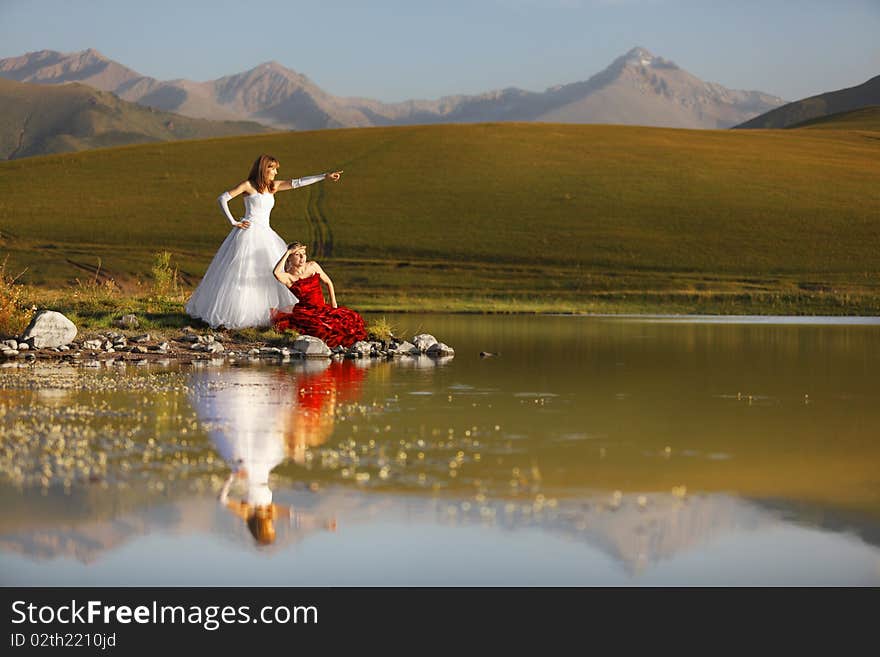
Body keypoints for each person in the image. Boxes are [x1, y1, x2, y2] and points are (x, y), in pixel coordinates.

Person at [185, 154, 343, 329]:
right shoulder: (248, 185)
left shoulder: (272, 186)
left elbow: (297, 182)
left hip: (266, 234)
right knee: (242, 274)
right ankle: (238, 315)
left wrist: (324, 176)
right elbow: (222, 198)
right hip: (248, 233)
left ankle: (263, 315)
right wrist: (233, 221)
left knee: (266, 276)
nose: (275, 172)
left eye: (276, 169)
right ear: (263, 168)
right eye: (272, 168)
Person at [270, 242, 368, 348]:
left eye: (304, 253)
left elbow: (328, 282)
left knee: (350, 320)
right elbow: (276, 272)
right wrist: (288, 251)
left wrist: (333, 303)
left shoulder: (313, 266)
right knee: (320, 328)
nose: (302, 257)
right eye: (297, 255)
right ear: (289, 258)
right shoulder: (289, 277)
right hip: (307, 312)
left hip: (322, 308)